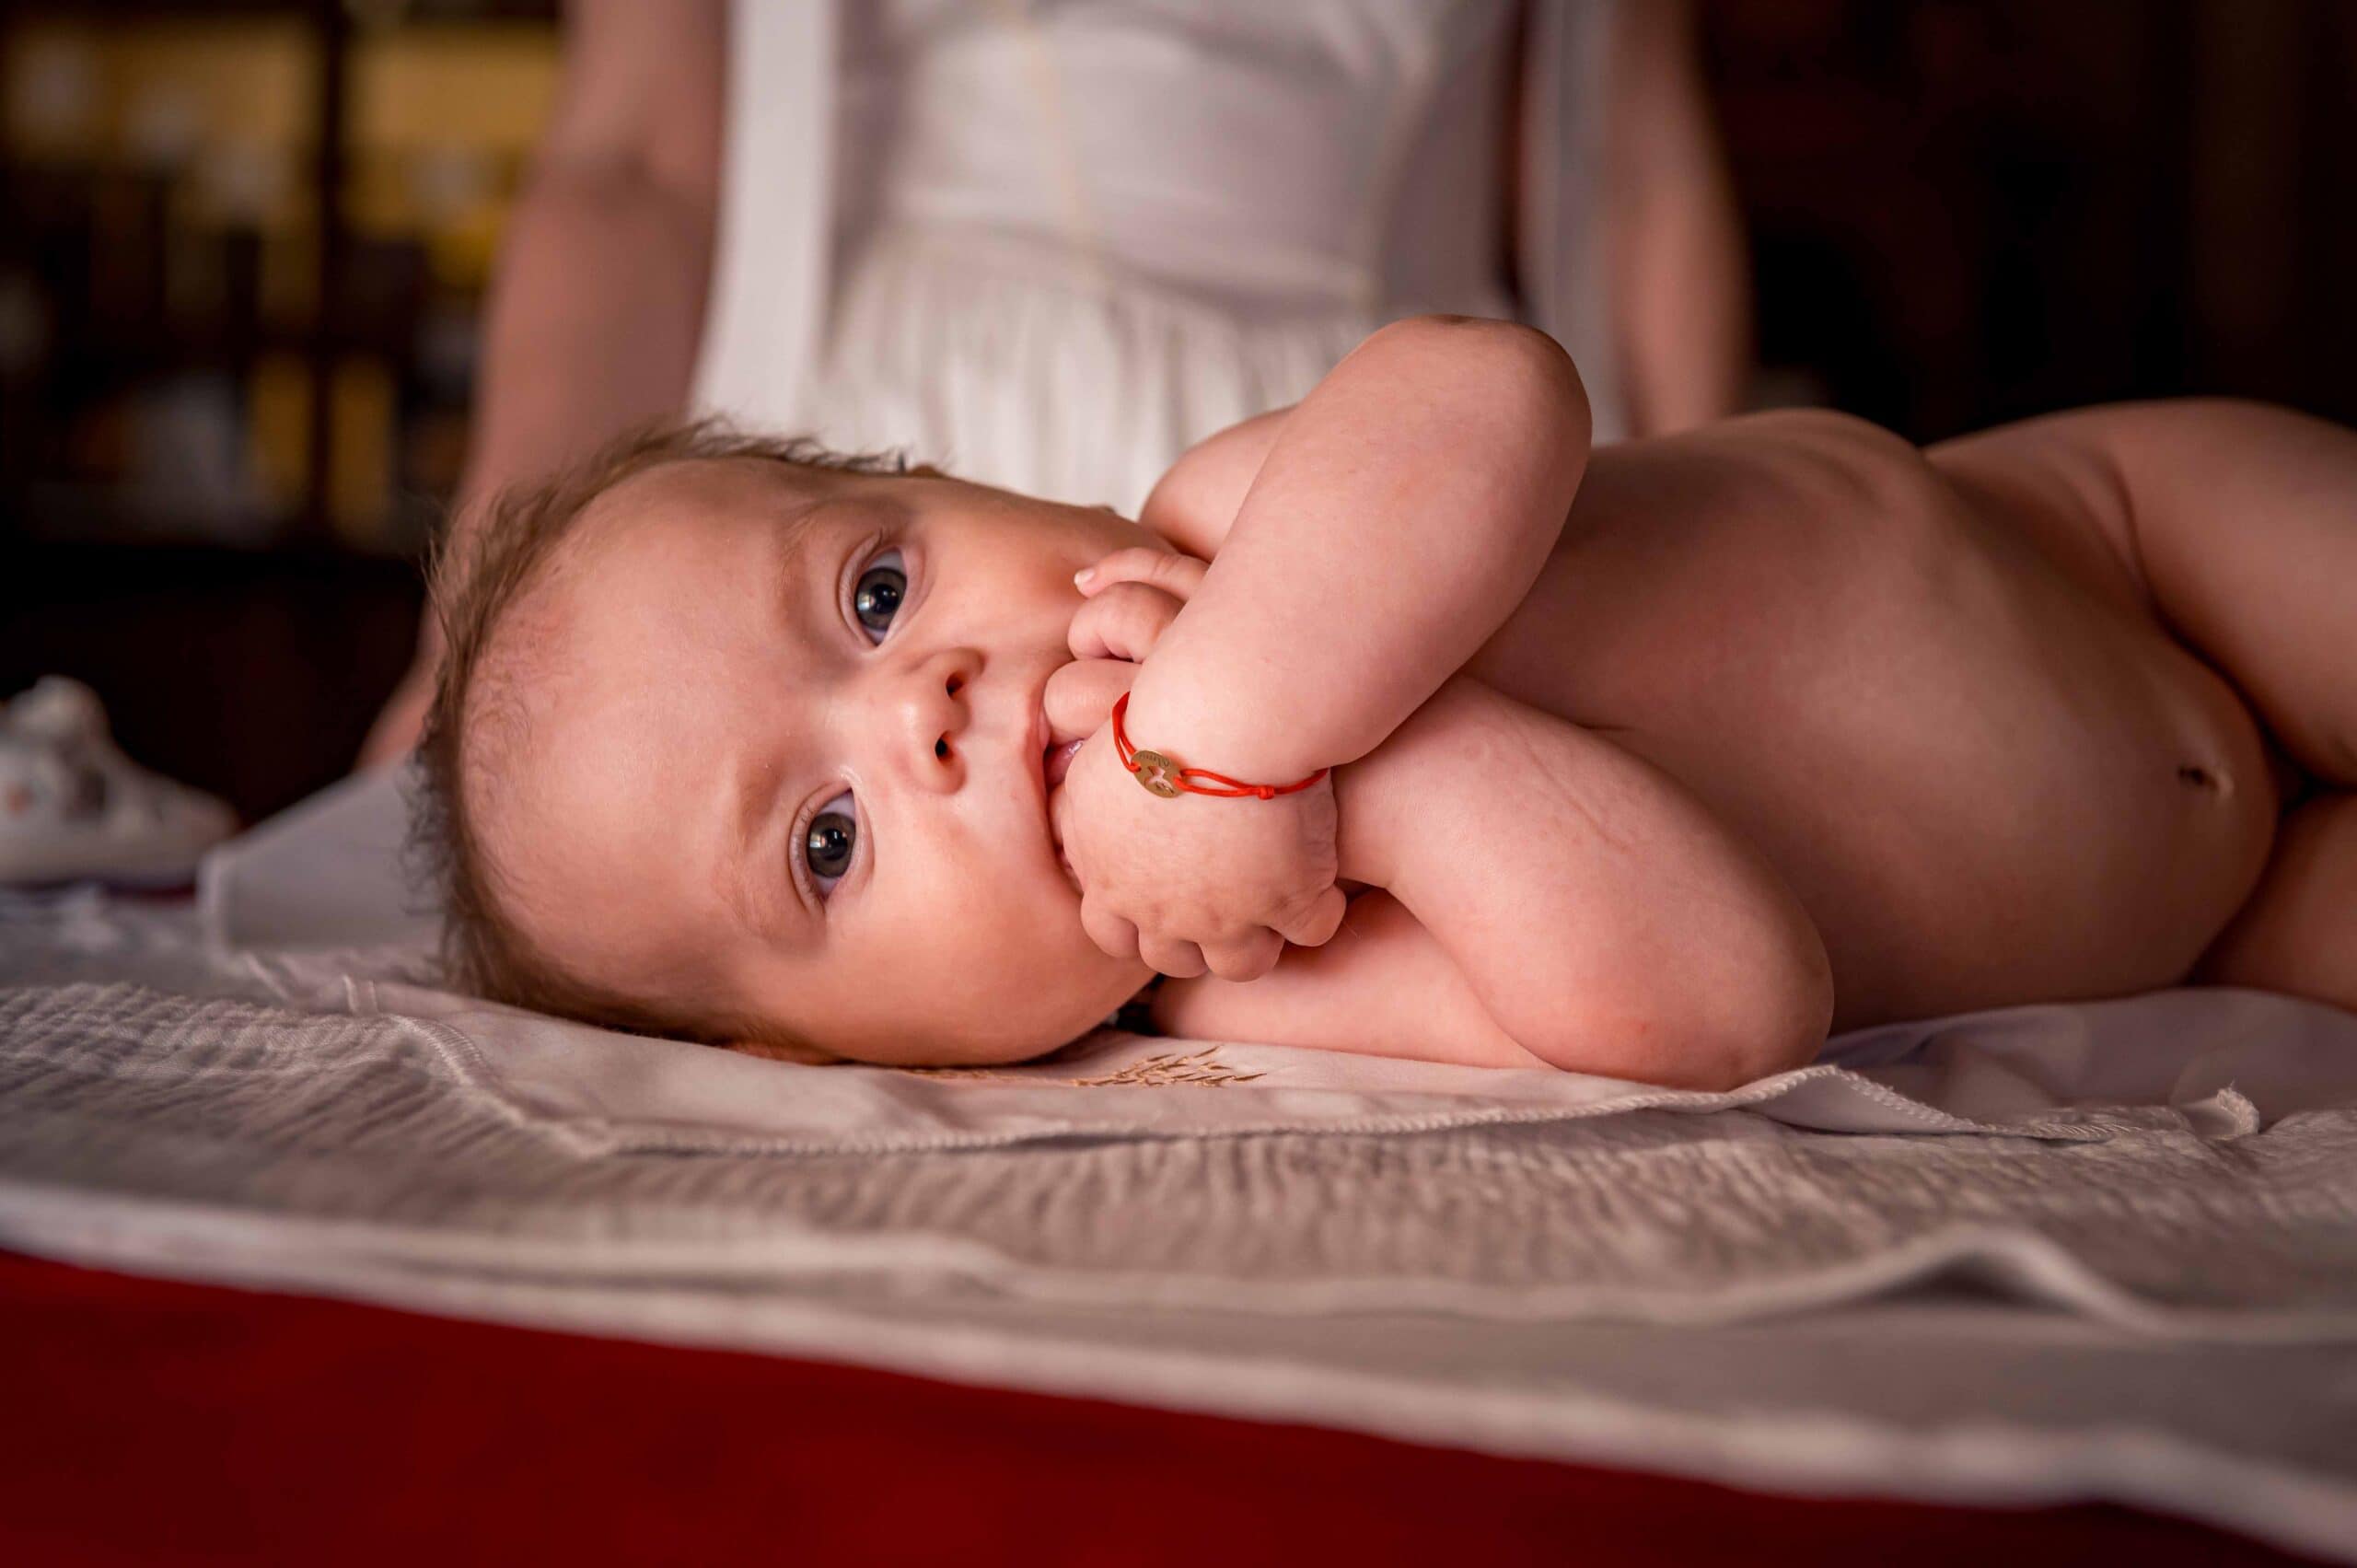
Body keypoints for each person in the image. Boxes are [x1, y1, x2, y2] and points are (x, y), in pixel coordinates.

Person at [412, 316, 2353, 1089]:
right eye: (826, 845)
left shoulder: (1233, 524)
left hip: (2122, 535)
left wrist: (1225, 732)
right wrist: (1361, 796)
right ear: (862, 1057)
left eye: (874, 586)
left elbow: (1494, 395)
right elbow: (1727, 1000)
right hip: (2212, 921)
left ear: (949, 479)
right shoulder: (1270, 979)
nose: (913, 709)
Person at [360, 0, 1748, 764]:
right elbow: (636, 169)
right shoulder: (894, 685)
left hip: (1399, 502)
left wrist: (1716, 571)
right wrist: (475, 628)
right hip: (889, 490)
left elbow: (1627, 172)